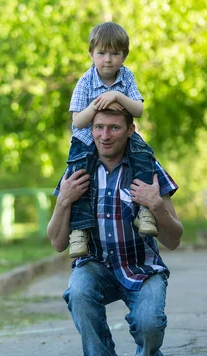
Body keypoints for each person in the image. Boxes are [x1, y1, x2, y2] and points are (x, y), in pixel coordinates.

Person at [47, 109, 183, 356]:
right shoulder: (78, 169)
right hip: (95, 265)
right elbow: (58, 243)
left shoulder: (147, 169)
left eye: (114, 128)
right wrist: (64, 201)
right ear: (91, 130)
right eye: (98, 128)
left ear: (131, 130)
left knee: (149, 322)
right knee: (78, 292)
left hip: (142, 267)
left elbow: (174, 239)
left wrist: (155, 205)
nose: (105, 136)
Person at [66, 21, 158, 259]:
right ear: (91, 54)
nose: (108, 59)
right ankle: (79, 230)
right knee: (79, 178)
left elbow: (137, 110)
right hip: (87, 138)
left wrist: (116, 95)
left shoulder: (126, 77)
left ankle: (144, 211)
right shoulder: (85, 81)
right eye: (102, 53)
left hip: (120, 137)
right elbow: (78, 121)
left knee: (143, 155)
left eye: (115, 53)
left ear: (124, 56)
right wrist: (96, 106)